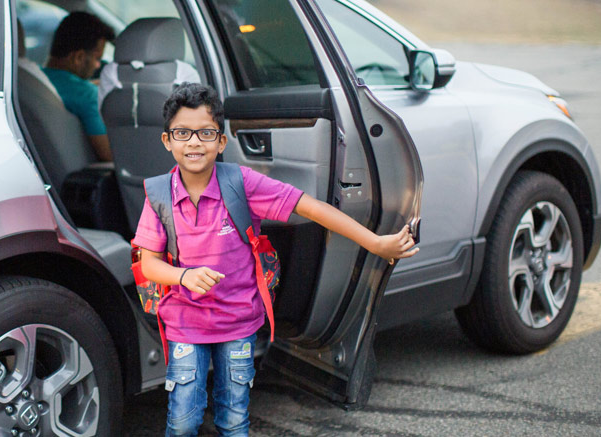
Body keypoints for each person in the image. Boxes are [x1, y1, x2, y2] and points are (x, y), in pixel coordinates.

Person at [134, 83, 418, 436]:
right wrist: (183, 276)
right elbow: (149, 264)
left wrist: (375, 242)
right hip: (185, 326)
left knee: (234, 419)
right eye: (183, 133)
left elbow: (312, 208)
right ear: (167, 140)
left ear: (221, 142)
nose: (194, 142)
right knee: (182, 421)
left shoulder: (241, 183)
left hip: (238, 324)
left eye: (206, 132)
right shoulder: (158, 194)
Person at [43, 11, 115, 161]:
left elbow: (69, 86)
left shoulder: (35, 79)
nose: (97, 66)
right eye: (97, 58)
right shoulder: (88, 96)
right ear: (79, 57)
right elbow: (110, 157)